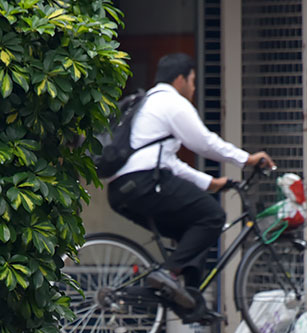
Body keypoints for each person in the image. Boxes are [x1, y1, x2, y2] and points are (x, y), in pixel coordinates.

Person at [107, 53, 275, 309]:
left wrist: (209, 182)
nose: (194, 88)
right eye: (193, 81)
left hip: (123, 190)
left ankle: (189, 301)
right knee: (213, 216)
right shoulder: (171, 102)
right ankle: (168, 274)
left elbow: (169, 161)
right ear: (180, 79)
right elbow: (204, 143)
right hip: (145, 182)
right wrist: (247, 159)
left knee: (193, 233)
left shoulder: (150, 102)